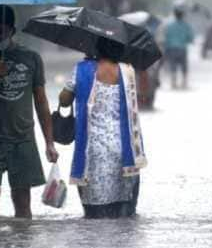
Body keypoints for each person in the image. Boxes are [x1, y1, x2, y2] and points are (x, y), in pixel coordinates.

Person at [0, 5, 58, 219]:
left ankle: (22, 247)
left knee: (22, 199)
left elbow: (41, 102)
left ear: (12, 31)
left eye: (1, 31)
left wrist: (49, 142)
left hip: (22, 138)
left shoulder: (31, 58)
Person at [58, 37, 147, 218]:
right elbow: (137, 101)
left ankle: (95, 246)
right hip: (125, 150)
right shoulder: (127, 71)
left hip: (94, 151)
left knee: (94, 215)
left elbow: (64, 101)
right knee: (124, 214)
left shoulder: (82, 70)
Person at [162, 4, 195, 88]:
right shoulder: (186, 25)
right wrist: (187, 40)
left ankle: (173, 83)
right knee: (184, 66)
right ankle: (184, 83)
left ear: (175, 15)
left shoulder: (169, 26)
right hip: (182, 49)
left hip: (171, 48)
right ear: (182, 15)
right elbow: (190, 38)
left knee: (173, 66)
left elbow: (166, 37)